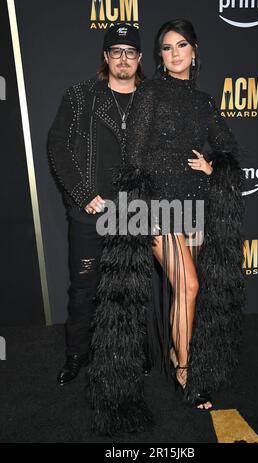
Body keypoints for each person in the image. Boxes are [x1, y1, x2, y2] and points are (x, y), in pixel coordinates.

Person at [88, 19, 246, 435]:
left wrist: (214, 167)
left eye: (181, 46)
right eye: (166, 48)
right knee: (189, 285)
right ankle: (185, 370)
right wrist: (142, 207)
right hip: (158, 206)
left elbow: (228, 146)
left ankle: (180, 351)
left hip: (193, 207)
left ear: (194, 51)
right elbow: (135, 154)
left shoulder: (205, 101)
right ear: (159, 56)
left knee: (183, 290)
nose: (174, 54)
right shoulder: (151, 92)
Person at [47, 24, 145, 386]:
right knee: (84, 288)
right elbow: (57, 146)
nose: (123, 59)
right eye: (116, 51)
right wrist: (83, 193)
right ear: (105, 56)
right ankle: (77, 354)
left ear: (139, 58)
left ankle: (134, 350)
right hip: (90, 211)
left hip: (134, 211)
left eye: (130, 52)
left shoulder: (151, 98)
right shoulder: (79, 96)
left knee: (132, 288)